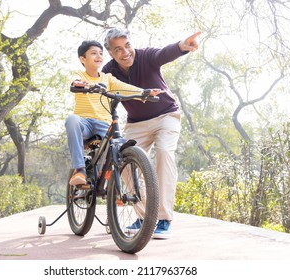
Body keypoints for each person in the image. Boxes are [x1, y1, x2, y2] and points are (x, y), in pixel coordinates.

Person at [102, 28, 201, 239]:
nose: (125, 52)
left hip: (166, 116)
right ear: (111, 53)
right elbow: (99, 89)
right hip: (136, 123)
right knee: (124, 164)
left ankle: (164, 219)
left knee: (164, 153)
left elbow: (163, 54)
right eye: (118, 49)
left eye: (127, 45)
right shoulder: (108, 70)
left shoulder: (146, 56)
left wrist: (182, 45)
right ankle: (146, 215)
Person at [66, 40, 161, 186]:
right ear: (82, 59)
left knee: (120, 145)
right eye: (93, 53)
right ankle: (80, 170)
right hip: (84, 124)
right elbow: (74, 81)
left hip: (104, 124)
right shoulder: (79, 75)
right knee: (72, 119)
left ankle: (115, 187)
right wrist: (78, 84)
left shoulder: (107, 78)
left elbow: (124, 87)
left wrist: (144, 92)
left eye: (100, 53)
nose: (98, 56)